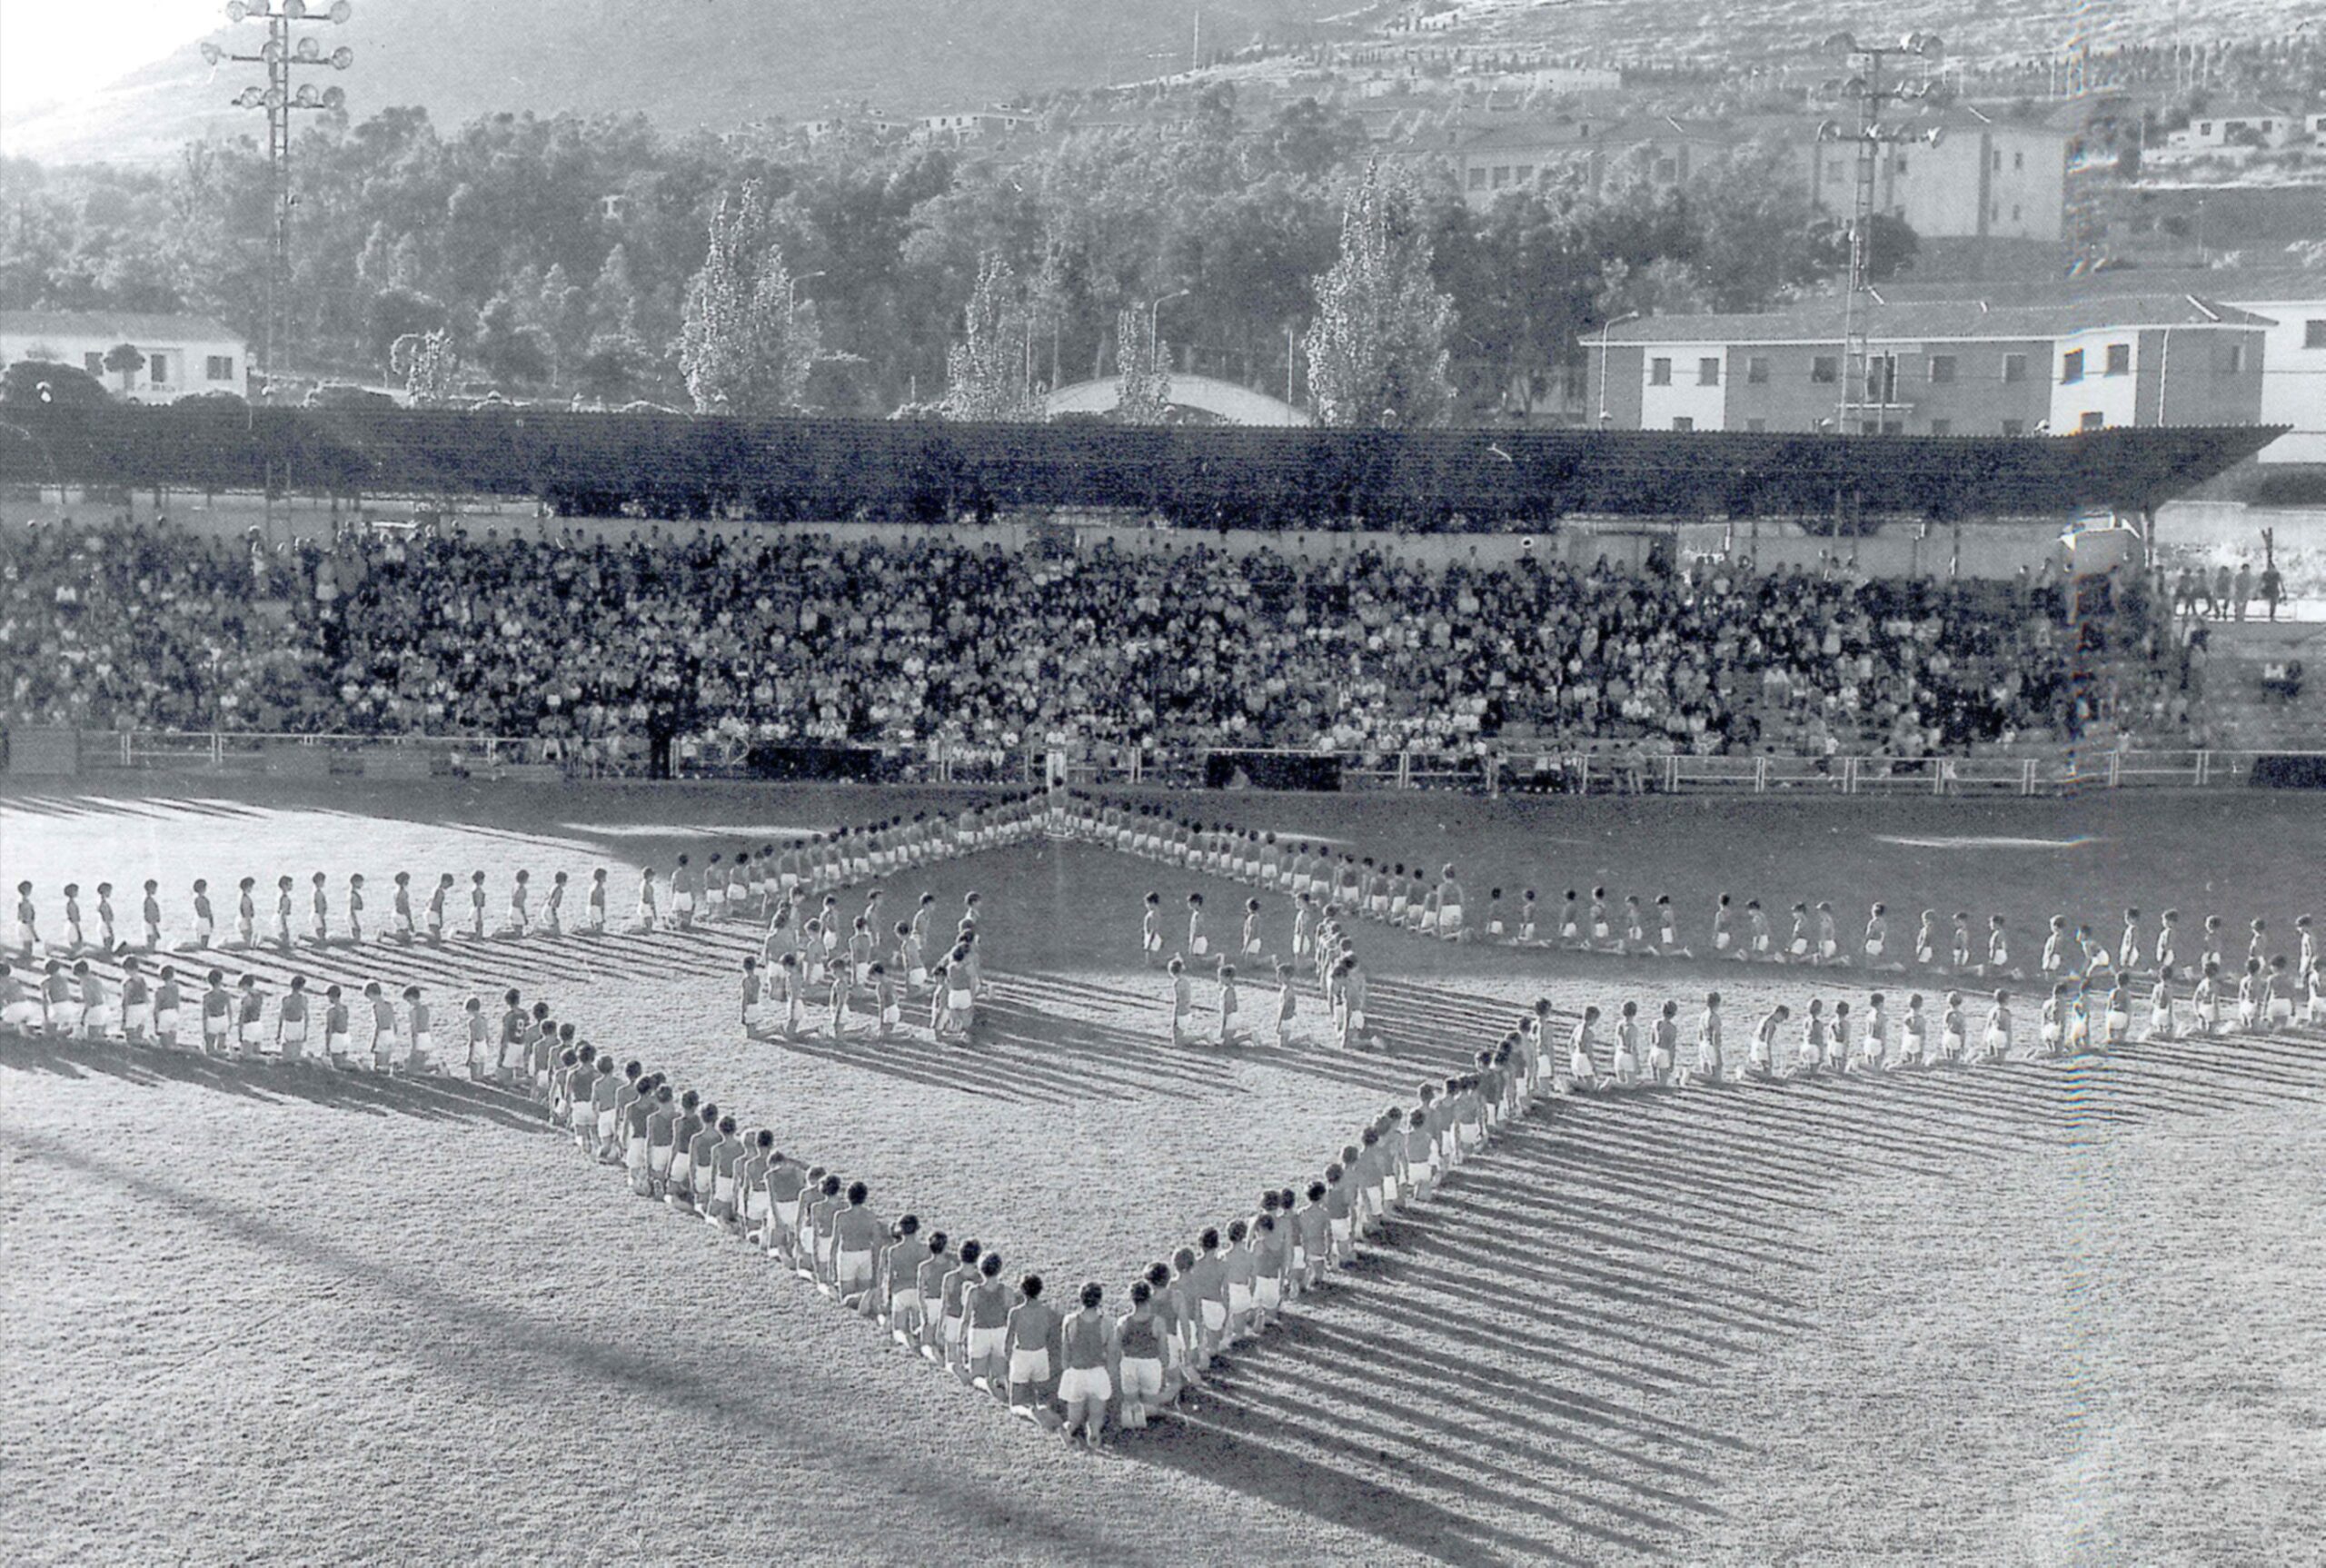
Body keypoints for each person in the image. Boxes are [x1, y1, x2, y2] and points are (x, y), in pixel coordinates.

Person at [1058, 1282, 1115, 1448]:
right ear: (1100, 1300)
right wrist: (1110, 1375)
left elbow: (1065, 1351)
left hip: (1076, 1373)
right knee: (1097, 1415)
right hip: (1097, 1372)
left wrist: (1067, 1370)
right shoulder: (1107, 1323)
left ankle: (1068, 1430)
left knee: (1073, 1418)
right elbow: (1111, 1353)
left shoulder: (1070, 1320)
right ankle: (1094, 1431)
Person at [1004, 1275, 1060, 1421]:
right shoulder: (1047, 1311)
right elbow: (1049, 1335)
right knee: (1043, 1397)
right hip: (1040, 1354)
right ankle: (1045, 1411)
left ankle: (1030, 1413)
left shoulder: (1016, 1312)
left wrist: (1008, 1358)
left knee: (1015, 1404)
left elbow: (1009, 1339)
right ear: (1040, 1290)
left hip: (1021, 1355)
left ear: (1022, 1291)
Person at [1115, 1279, 1168, 1430]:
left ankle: (1130, 1411)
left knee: (1130, 1398)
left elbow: (1117, 1348)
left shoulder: (1123, 1322)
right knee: (1153, 1406)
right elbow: (1163, 1349)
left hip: (1128, 1364)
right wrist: (1163, 1370)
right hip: (1151, 1364)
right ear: (1149, 1297)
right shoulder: (1157, 1322)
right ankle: (1142, 1411)